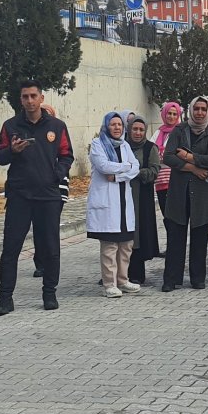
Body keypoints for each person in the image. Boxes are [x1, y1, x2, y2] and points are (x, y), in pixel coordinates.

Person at [0, 81, 74, 315]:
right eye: (25, 96)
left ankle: (50, 293)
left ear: (41, 98)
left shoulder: (57, 127)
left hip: (48, 195)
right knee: (11, 248)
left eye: (33, 96)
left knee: (50, 247)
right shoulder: (10, 126)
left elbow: (67, 156)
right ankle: (5, 298)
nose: (29, 101)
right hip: (19, 195)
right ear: (21, 100)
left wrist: (55, 175)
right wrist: (12, 152)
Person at [161, 96, 208, 292]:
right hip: (179, 191)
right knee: (176, 237)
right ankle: (171, 279)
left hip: (203, 193)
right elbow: (168, 156)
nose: (200, 112)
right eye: (197, 108)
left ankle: (197, 278)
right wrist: (193, 168)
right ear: (191, 110)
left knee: (200, 238)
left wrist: (189, 156)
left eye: (203, 109)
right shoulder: (179, 130)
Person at [88, 112, 140, 297]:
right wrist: (125, 167)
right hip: (108, 203)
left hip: (123, 201)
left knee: (126, 244)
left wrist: (119, 174)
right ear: (106, 126)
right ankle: (109, 284)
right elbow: (103, 166)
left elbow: (136, 167)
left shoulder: (125, 145)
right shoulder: (97, 144)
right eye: (113, 124)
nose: (117, 127)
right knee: (110, 245)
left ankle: (122, 280)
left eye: (119, 124)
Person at [126, 117, 161, 285]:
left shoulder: (150, 148)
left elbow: (155, 170)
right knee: (121, 234)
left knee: (138, 234)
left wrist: (135, 172)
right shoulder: (122, 146)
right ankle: (116, 272)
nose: (138, 133)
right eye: (135, 129)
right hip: (121, 196)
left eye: (141, 129)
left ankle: (137, 274)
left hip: (141, 197)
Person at [153, 101, 183, 217]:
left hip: (176, 181)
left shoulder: (181, 132)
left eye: (175, 114)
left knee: (177, 217)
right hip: (161, 182)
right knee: (166, 217)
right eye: (169, 113)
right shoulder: (158, 132)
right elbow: (153, 154)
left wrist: (164, 155)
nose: (171, 116)